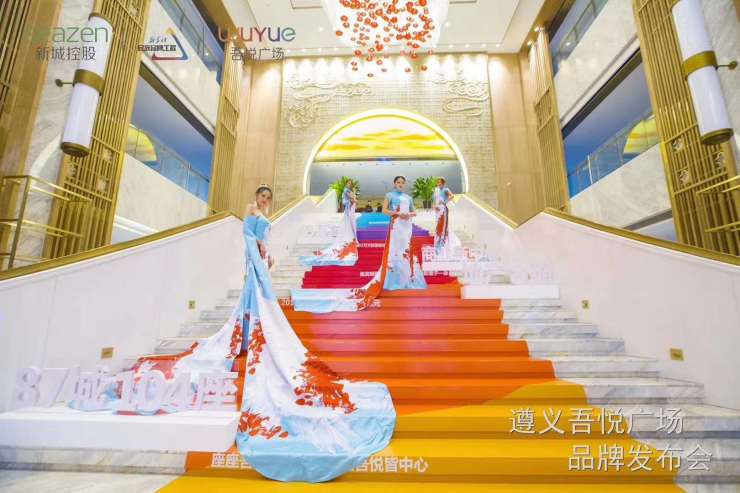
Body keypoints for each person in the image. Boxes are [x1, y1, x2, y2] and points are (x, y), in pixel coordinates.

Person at [123, 185, 395, 483]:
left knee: (255, 302)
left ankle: (247, 333)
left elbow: (262, 239)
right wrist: (257, 259)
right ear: (256, 197)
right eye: (262, 197)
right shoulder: (251, 210)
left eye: (267, 198)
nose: (264, 201)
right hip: (254, 260)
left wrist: (268, 254)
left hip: (261, 259)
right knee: (256, 298)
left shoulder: (263, 214)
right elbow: (248, 237)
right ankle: (248, 334)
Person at [291, 175, 427, 313]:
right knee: (394, 253)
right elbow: (384, 210)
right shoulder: (389, 195)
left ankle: (406, 279)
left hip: (406, 228)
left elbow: (414, 211)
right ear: (394, 183)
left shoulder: (408, 197)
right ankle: (392, 281)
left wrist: (409, 214)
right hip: (396, 226)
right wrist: (397, 214)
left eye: (402, 182)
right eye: (398, 182)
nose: (400, 184)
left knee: (406, 252)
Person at [300, 179, 358, 266]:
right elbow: (348, 200)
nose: (349, 184)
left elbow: (353, 199)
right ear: (346, 183)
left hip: (350, 209)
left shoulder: (349, 191)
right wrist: (353, 199)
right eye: (348, 183)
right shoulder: (346, 190)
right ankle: (350, 241)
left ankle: (352, 239)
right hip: (348, 210)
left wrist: (353, 198)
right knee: (349, 225)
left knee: (351, 224)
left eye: (350, 183)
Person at [433, 177, 454, 254]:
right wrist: (434, 206)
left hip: (443, 210)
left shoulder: (446, 189)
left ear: (443, 183)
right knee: (438, 226)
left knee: (443, 226)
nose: (439, 184)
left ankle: (442, 243)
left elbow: (452, 196)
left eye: (440, 182)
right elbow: (434, 201)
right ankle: (437, 244)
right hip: (437, 211)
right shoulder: (436, 191)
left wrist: (444, 202)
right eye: (438, 182)